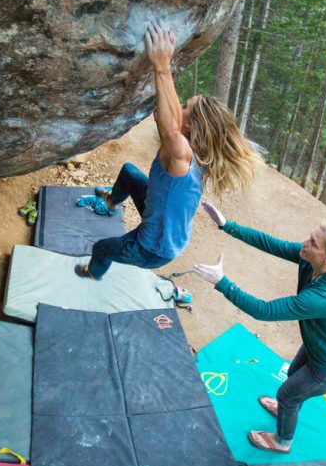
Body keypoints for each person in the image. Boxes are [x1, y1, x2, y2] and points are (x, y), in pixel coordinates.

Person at [74, 20, 260, 280]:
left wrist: (162, 66)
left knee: (101, 248)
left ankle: (93, 273)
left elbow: (169, 127)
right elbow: (175, 120)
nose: (179, 105)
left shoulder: (181, 155)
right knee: (128, 173)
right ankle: (110, 203)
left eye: (186, 106)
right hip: (164, 223)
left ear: (191, 124)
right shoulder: (196, 151)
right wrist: (166, 68)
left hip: (153, 248)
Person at [192, 202, 326, 453]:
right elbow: (271, 243)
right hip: (320, 346)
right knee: (293, 377)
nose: (305, 243)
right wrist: (227, 226)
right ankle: (286, 410)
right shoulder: (310, 261)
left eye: (313, 243)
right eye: (310, 237)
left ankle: (282, 442)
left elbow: (264, 310)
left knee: (287, 394)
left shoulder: (325, 297)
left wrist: (222, 282)